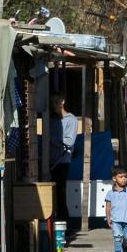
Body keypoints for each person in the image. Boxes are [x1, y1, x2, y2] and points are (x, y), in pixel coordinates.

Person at [49, 95, 77, 225]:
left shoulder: (71, 119)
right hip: (50, 161)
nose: (54, 105)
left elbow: (69, 141)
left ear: (63, 101)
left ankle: (65, 222)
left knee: (60, 192)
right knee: (52, 194)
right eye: (52, 103)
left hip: (62, 161)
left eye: (56, 102)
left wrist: (51, 141)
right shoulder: (52, 120)